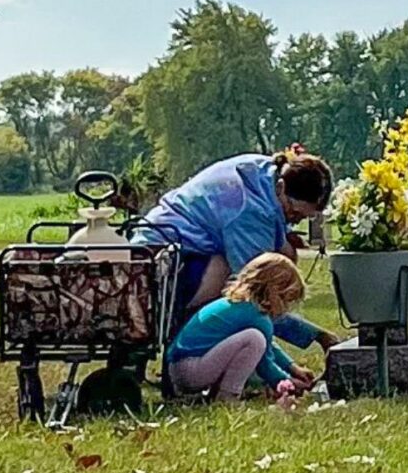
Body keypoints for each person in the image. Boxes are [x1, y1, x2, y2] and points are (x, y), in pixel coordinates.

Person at [132, 148, 339, 351]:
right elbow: (256, 297)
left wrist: (282, 235)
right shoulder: (249, 211)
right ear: (281, 187)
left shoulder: (264, 171)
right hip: (162, 262)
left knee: (283, 254)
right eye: (293, 214)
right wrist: (316, 336)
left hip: (167, 241)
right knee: (232, 283)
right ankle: (188, 342)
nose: (294, 222)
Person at [166, 253, 313, 401]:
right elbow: (264, 361)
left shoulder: (238, 305)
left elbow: (268, 346)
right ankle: (228, 395)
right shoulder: (257, 317)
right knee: (254, 339)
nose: (285, 309)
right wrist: (287, 382)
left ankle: (215, 394)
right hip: (192, 371)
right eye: (286, 300)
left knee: (256, 339)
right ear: (274, 292)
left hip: (179, 369)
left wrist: (292, 367)